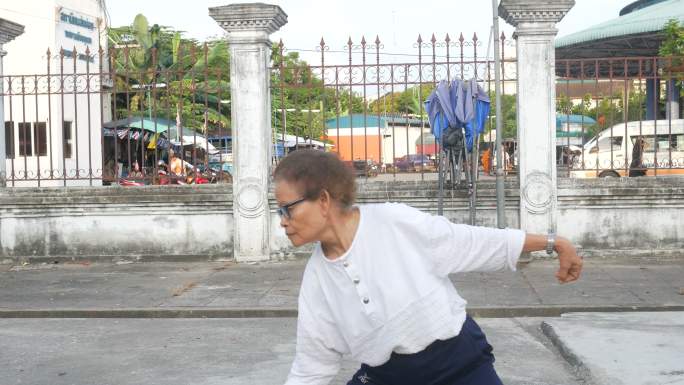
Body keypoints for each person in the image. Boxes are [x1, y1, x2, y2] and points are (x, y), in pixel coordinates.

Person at [274, 149, 583, 385]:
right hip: (389, 377)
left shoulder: (394, 223)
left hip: (459, 366)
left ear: (324, 201)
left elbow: (473, 242)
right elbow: (312, 366)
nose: (283, 221)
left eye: (287, 209)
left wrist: (554, 242)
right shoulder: (317, 280)